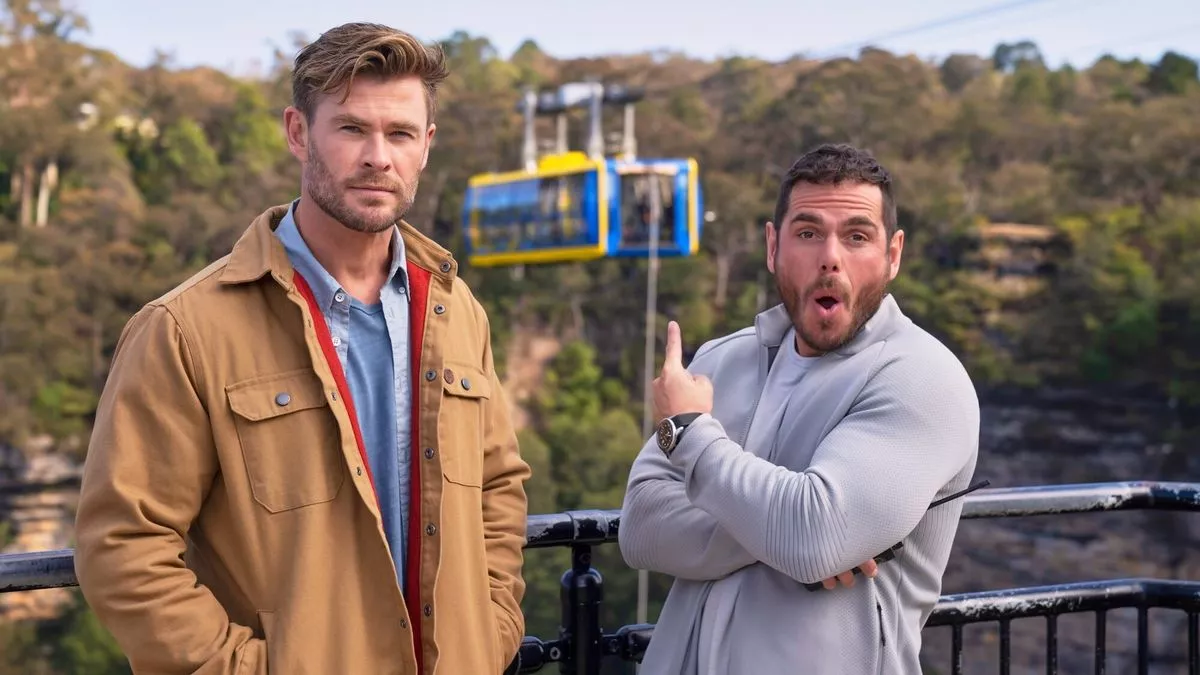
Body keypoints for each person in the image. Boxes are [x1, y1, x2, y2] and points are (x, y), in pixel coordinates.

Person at [74, 22, 531, 675]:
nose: (379, 156)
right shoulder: (184, 328)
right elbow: (122, 543)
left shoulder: (458, 314)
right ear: (297, 132)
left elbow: (498, 486)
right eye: (351, 129)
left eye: (400, 133)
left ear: (426, 147)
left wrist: (490, 633)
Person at [619, 143, 980, 674]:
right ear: (773, 246)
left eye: (857, 236)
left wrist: (689, 431)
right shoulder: (722, 359)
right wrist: (780, 530)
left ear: (893, 254)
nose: (830, 256)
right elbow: (642, 529)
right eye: (808, 233)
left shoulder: (923, 378)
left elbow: (814, 535)